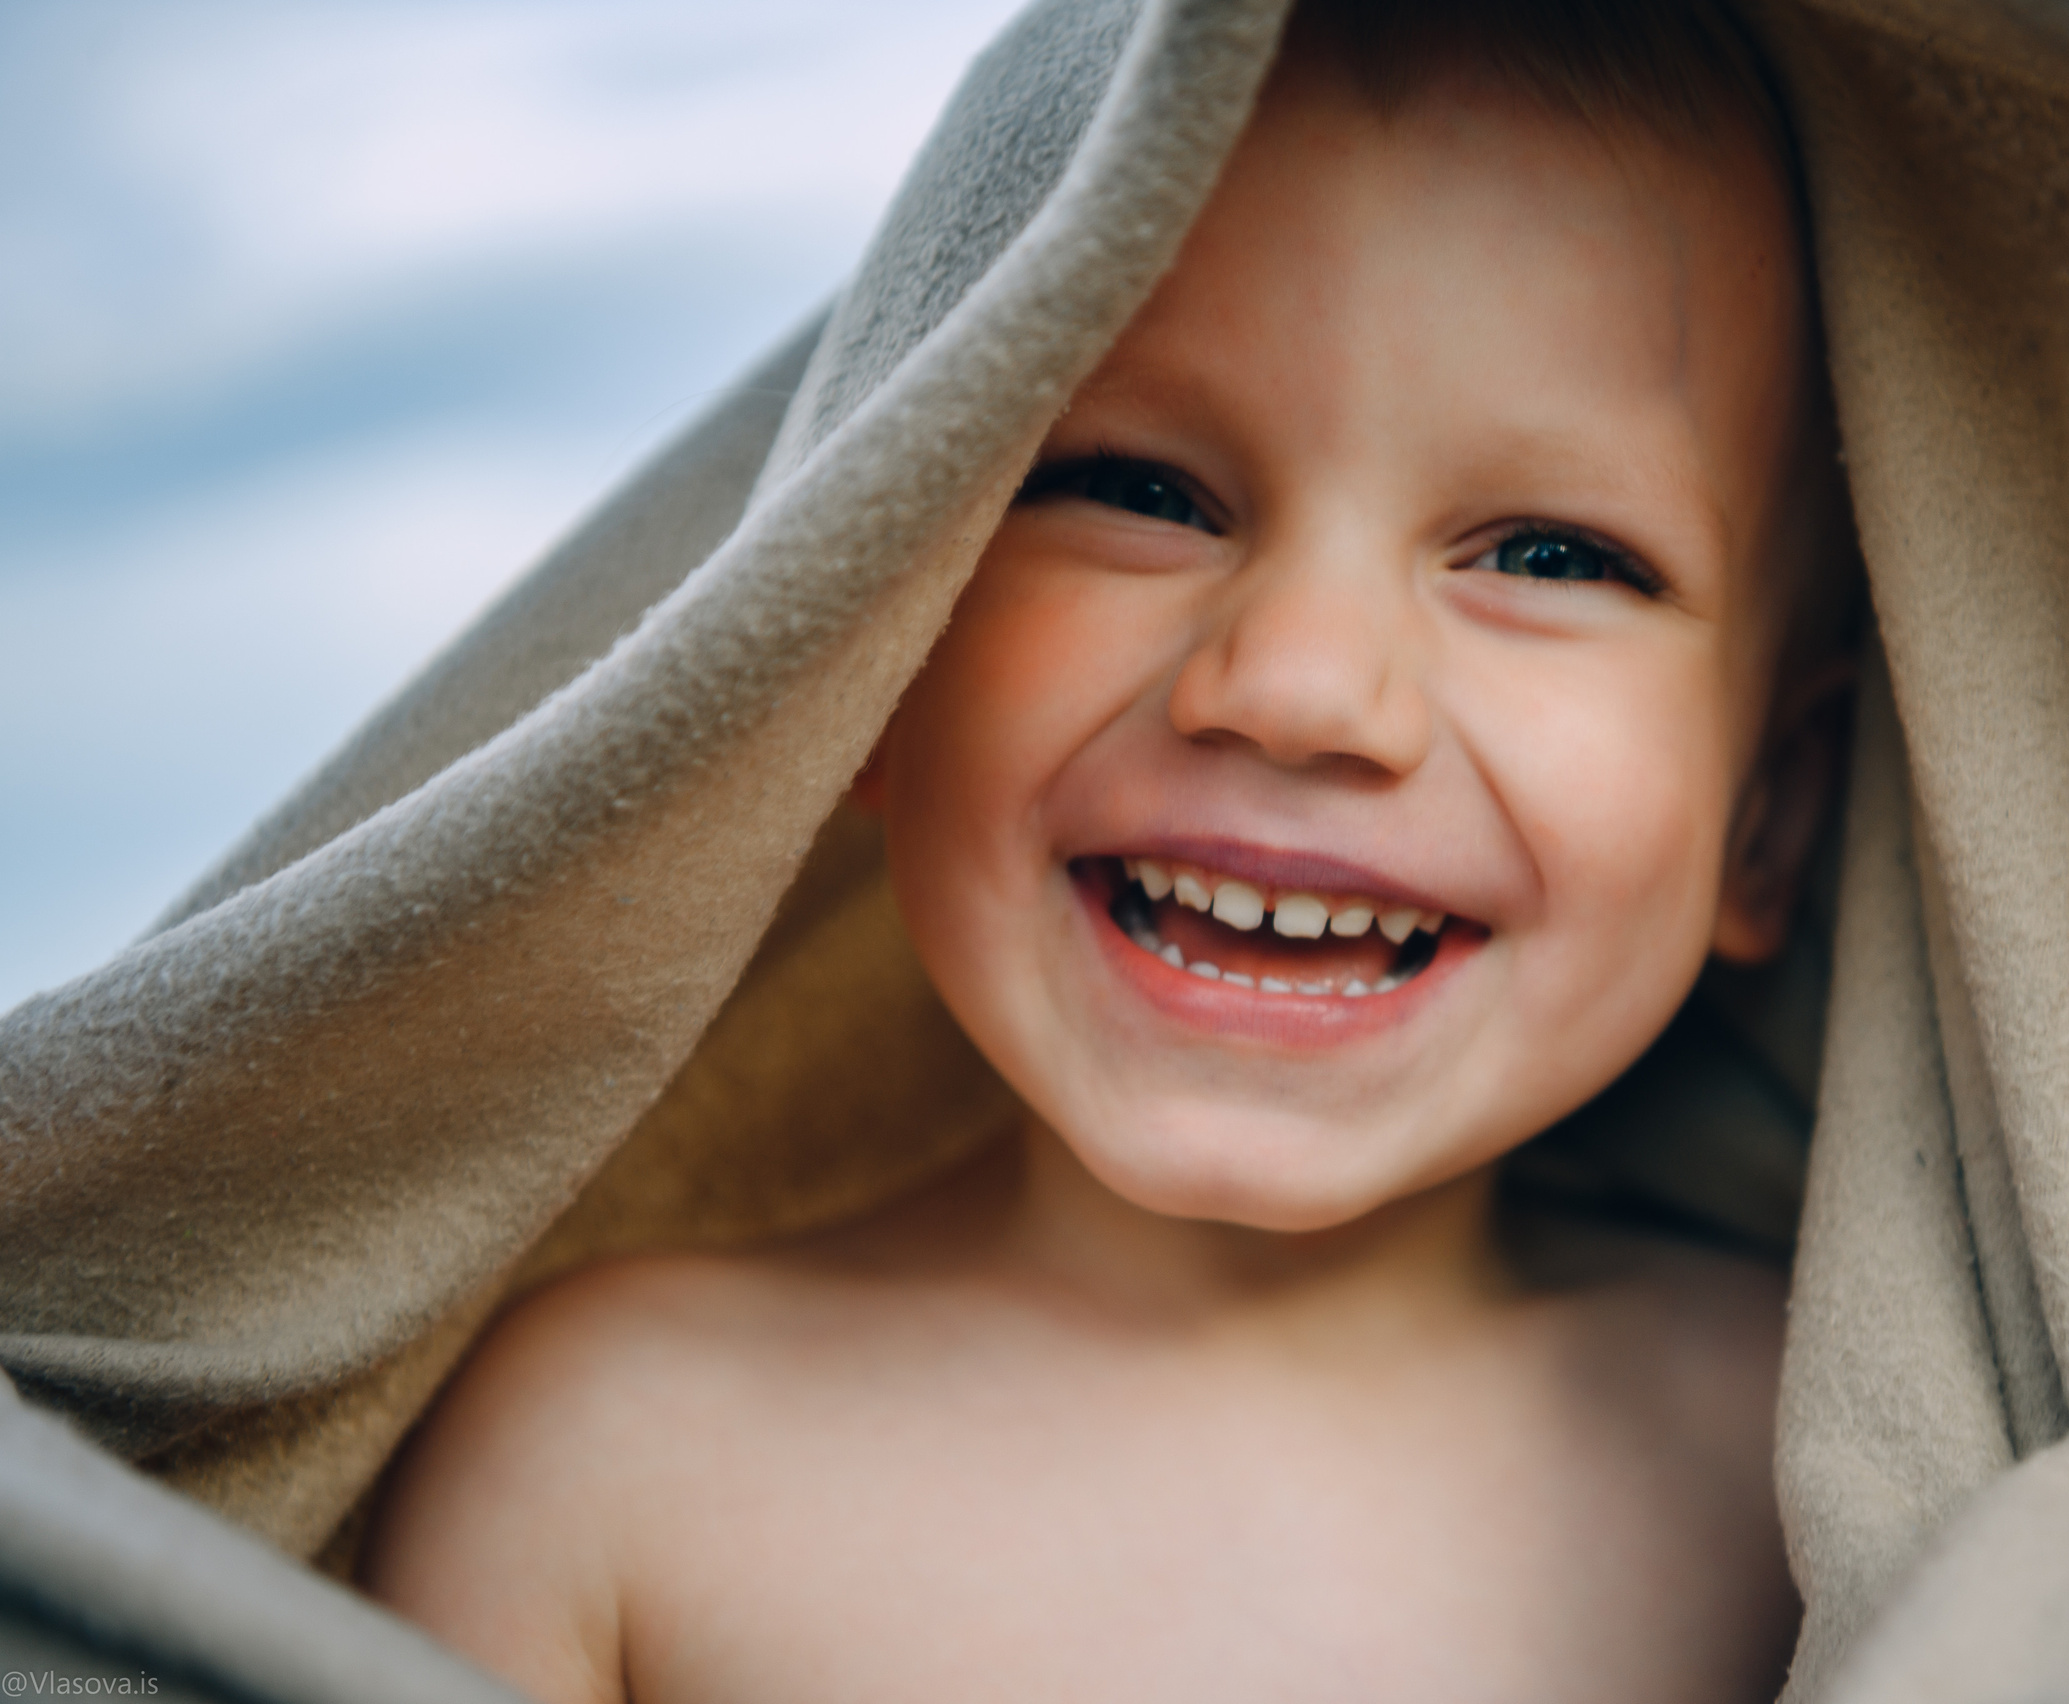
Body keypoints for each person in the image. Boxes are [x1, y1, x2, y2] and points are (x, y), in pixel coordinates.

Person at [358, 3, 1857, 1700]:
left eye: (1551, 552)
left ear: (1771, 814)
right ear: (872, 642)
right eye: (1145, 490)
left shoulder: (1818, 1461)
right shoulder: (609, 1451)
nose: (1299, 685)